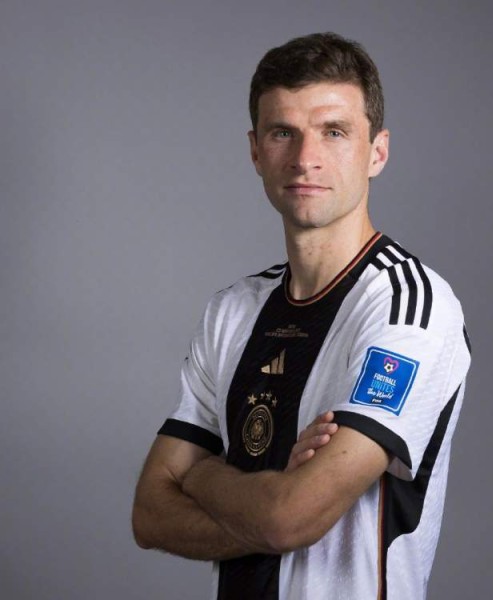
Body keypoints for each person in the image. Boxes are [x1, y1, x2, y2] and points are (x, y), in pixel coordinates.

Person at [132, 32, 471, 600]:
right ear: (256, 151)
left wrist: (204, 473)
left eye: (334, 131)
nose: (304, 158)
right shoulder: (232, 310)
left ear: (378, 152)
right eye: (282, 132)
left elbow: (290, 519)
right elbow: (150, 514)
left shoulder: (410, 307)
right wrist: (267, 502)